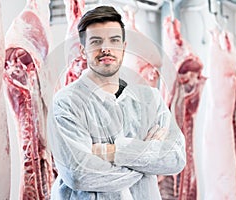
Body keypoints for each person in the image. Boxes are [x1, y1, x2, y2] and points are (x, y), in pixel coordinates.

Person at [48, 5, 186, 200]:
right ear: (82, 50)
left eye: (114, 40)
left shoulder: (150, 99)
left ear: (123, 46)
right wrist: (146, 158)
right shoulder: (66, 102)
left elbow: (175, 159)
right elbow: (79, 174)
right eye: (96, 42)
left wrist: (111, 151)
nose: (106, 49)